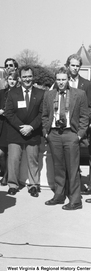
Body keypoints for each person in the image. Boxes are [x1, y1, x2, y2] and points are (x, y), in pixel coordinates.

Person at [42, 67, 88, 210]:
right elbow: (44, 115)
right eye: (58, 79)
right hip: (54, 134)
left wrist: (79, 135)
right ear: (55, 80)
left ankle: (75, 200)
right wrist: (46, 132)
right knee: (58, 167)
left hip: (71, 134)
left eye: (63, 79)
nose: (61, 82)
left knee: (72, 168)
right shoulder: (49, 95)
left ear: (68, 79)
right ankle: (59, 195)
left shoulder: (79, 94)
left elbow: (84, 116)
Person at [5, 65, 44, 197]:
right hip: (16, 132)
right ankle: (12, 185)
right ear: (20, 78)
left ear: (33, 77)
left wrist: (31, 127)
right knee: (14, 160)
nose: (27, 79)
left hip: (33, 132)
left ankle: (33, 185)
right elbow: (9, 113)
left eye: (29, 76)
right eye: (24, 77)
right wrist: (22, 127)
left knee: (33, 160)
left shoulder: (40, 93)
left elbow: (42, 114)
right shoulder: (12, 93)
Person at [64, 54, 91, 196]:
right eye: (72, 65)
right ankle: (68, 187)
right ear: (68, 65)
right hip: (64, 127)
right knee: (67, 159)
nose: (75, 68)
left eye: (77, 66)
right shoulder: (61, 81)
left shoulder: (86, 84)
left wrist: (83, 126)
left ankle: (78, 187)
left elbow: (89, 107)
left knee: (79, 157)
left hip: (80, 129)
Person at [0, 71, 19, 185]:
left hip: (12, 126)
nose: (12, 81)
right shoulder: (0, 93)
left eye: (14, 79)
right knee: (0, 153)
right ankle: (4, 171)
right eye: (10, 79)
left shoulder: (20, 94)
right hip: (1, 124)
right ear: (6, 80)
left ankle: (6, 176)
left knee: (10, 153)